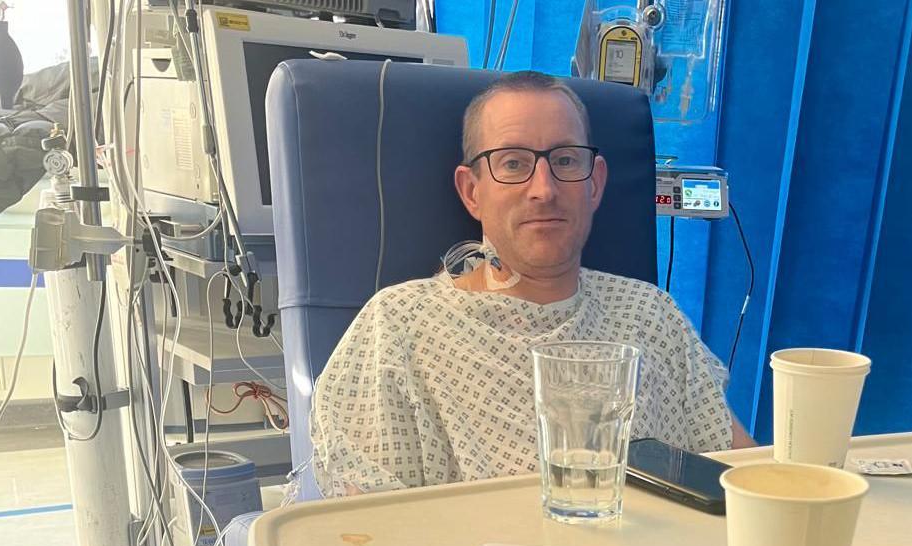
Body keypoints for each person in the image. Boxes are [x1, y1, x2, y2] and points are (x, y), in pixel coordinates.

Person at [309, 70, 754, 498]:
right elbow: (369, 528)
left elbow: (744, 479)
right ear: (472, 192)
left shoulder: (650, 315)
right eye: (513, 163)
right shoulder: (396, 329)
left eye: (565, 160)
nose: (544, 189)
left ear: (595, 184)